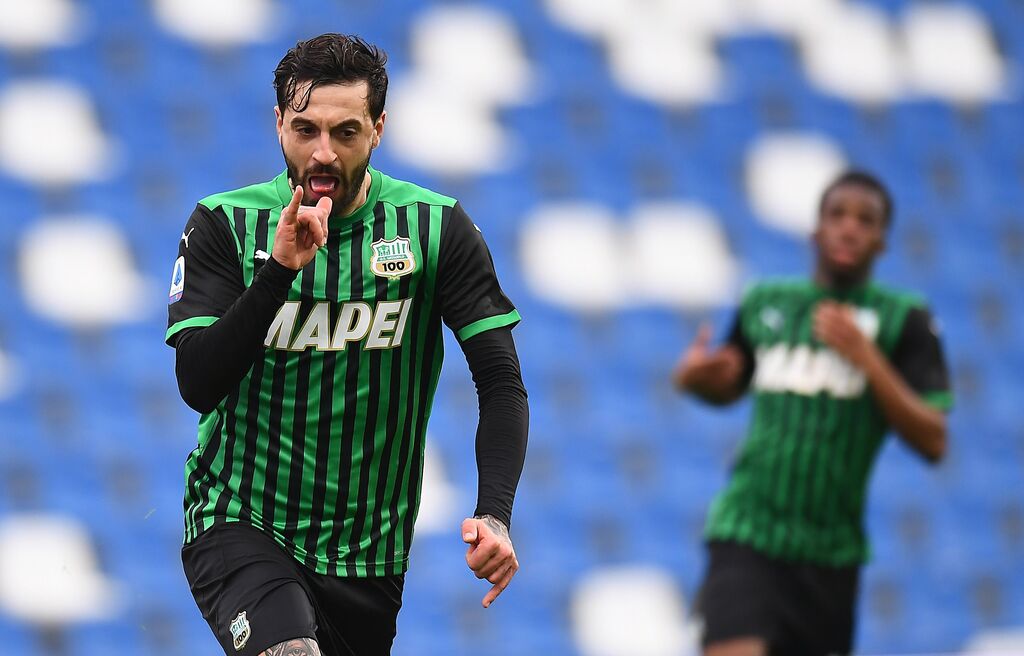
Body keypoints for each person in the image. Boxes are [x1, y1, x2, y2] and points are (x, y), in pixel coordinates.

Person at [165, 34, 528, 656]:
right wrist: (278, 272)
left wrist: (494, 514)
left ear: (379, 128)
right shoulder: (224, 224)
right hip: (242, 520)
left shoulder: (436, 229)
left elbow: (501, 382)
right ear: (278, 124)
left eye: (347, 132)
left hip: (369, 555)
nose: (323, 153)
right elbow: (197, 384)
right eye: (305, 130)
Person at [673, 171, 952, 656]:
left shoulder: (905, 320)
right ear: (816, 230)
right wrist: (694, 380)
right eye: (837, 215)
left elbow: (934, 440)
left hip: (830, 554)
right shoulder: (766, 303)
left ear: (882, 241)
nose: (849, 228)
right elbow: (729, 385)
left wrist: (868, 361)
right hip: (749, 531)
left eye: (865, 220)